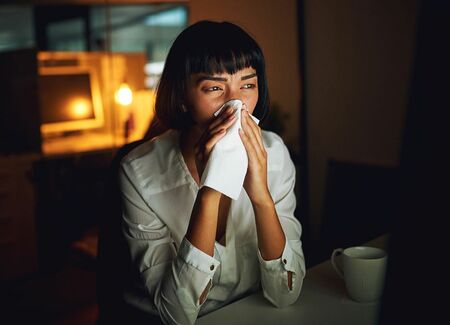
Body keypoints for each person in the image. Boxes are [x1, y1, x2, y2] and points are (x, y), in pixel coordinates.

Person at [118, 20, 305, 324]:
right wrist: (211, 191)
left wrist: (261, 197)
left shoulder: (275, 154)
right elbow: (176, 314)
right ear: (182, 97)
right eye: (215, 88)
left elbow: (286, 295)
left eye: (247, 85)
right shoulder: (139, 172)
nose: (236, 104)